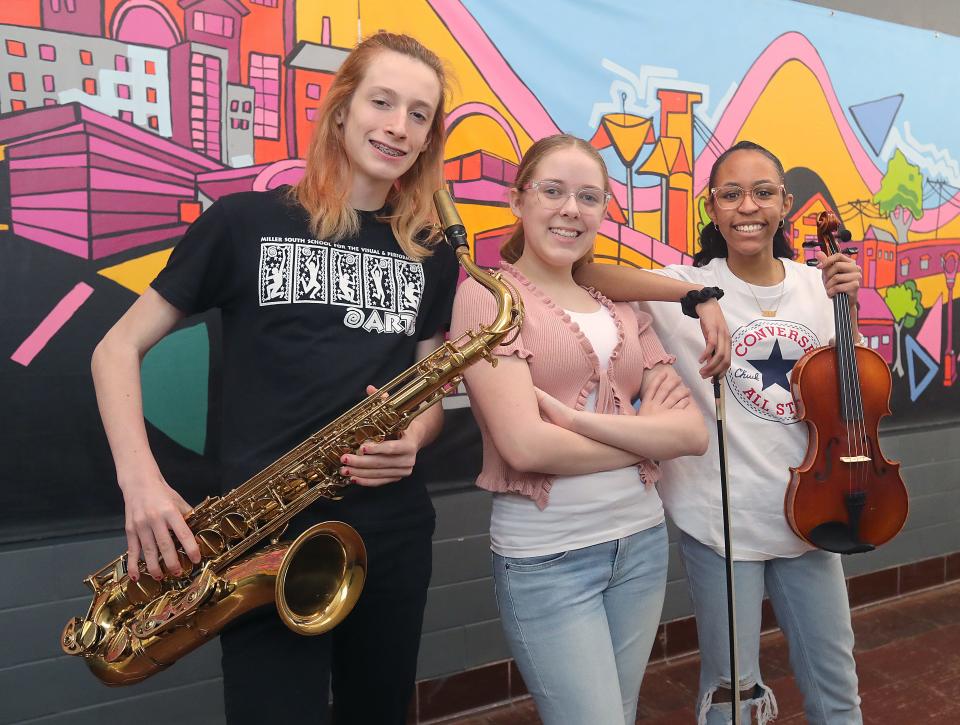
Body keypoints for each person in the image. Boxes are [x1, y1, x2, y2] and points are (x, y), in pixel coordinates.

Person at [91, 32, 459, 725]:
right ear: (342, 109)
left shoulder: (431, 252)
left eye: (419, 113)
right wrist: (141, 482)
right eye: (382, 102)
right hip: (264, 537)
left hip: (394, 531)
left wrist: (415, 436)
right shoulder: (243, 222)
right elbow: (113, 350)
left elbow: (430, 384)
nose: (398, 126)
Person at [577, 140, 865, 725]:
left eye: (763, 193)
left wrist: (849, 306)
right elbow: (586, 272)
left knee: (837, 685)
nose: (747, 207)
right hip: (722, 524)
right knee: (733, 694)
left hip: (812, 514)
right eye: (731, 194)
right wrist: (693, 296)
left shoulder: (820, 286)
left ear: (786, 203)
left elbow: (851, 397)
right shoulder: (688, 282)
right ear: (711, 207)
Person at [451, 133, 713, 725]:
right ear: (518, 201)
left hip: (641, 544)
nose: (571, 209)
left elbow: (691, 435)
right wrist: (641, 434)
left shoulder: (622, 307)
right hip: (549, 558)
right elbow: (525, 447)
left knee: (618, 714)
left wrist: (574, 422)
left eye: (589, 197)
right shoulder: (488, 300)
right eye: (553, 191)